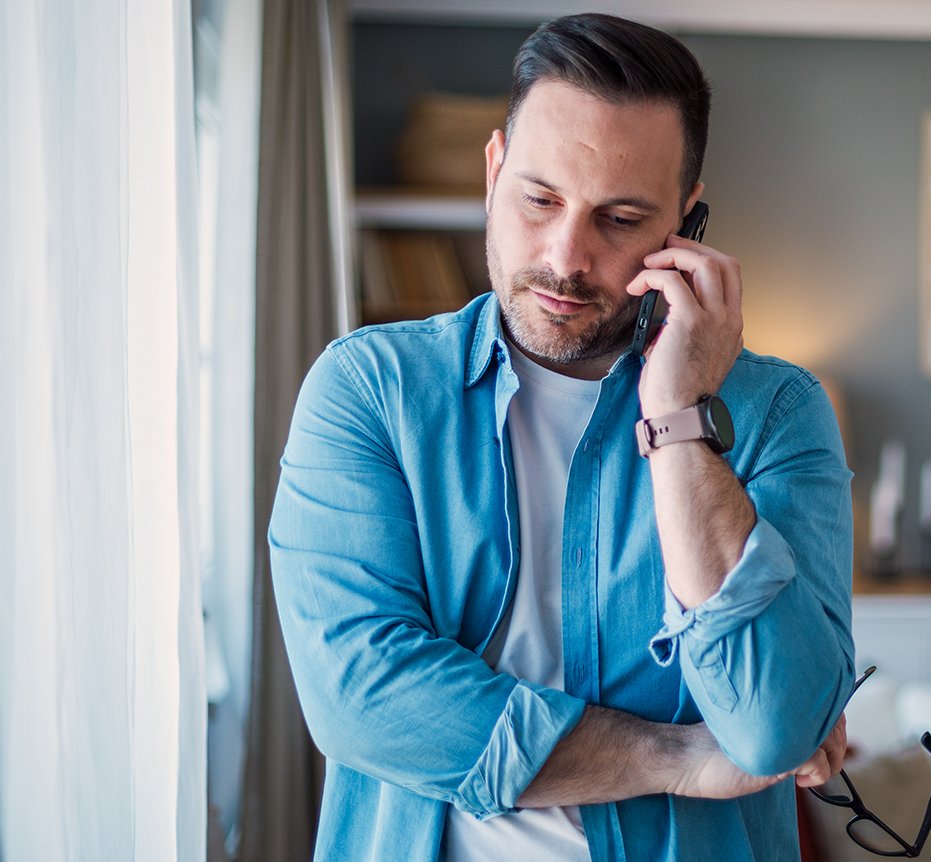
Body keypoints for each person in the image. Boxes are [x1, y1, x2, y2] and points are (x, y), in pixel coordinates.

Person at [269, 13, 856, 861]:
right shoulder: (369, 391)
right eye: (539, 199)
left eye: (620, 219)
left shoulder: (777, 414)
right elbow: (362, 700)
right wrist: (674, 759)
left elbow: (774, 729)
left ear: (685, 226)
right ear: (494, 170)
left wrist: (680, 417)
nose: (566, 256)